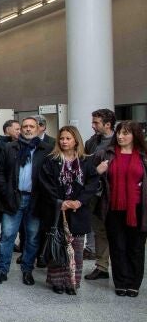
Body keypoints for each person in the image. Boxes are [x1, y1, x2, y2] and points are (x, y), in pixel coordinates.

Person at [38, 125, 98, 295]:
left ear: (76, 141)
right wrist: (60, 202)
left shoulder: (86, 161)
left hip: (78, 212)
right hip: (57, 212)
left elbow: (92, 183)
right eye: (61, 138)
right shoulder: (51, 160)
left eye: (68, 138)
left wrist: (79, 201)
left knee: (76, 250)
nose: (64, 141)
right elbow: (45, 184)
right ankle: (57, 282)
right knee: (58, 246)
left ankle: (72, 282)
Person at [0, 117, 51, 286]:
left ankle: (27, 270)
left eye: (31, 126)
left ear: (38, 129)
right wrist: (5, 192)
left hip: (35, 200)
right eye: (24, 126)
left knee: (32, 237)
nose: (27, 129)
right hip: (13, 198)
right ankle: (2, 270)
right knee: (7, 236)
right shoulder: (10, 148)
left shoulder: (46, 149)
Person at [96, 120, 147, 297]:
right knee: (117, 246)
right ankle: (121, 282)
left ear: (135, 135)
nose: (120, 136)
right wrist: (98, 172)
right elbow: (91, 178)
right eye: (118, 132)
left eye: (125, 133)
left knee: (136, 247)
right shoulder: (106, 154)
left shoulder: (143, 156)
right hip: (113, 208)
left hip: (138, 209)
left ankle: (133, 283)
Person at [84, 109, 116, 281]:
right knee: (99, 230)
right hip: (95, 193)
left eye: (96, 122)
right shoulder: (92, 142)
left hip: (113, 193)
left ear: (108, 124)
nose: (93, 125)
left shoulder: (119, 141)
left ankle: (119, 266)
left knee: (115, 231)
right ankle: (102, 266)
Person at [0, 119, 21, 255]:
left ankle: (10, 242)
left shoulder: (19, 144)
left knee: (11, 217)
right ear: (8, 130)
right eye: (17, 129)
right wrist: (1, 186)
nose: (20, 131)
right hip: (2, 188)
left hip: (16, 189)